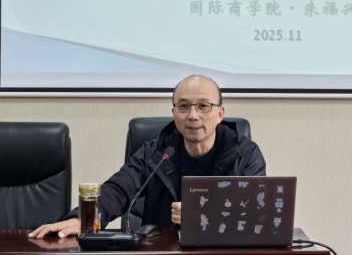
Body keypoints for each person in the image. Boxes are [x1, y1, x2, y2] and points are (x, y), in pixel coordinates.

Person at [29, 74, 266, 238]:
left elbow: (256, 213)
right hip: (162, 250)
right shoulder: (157, 152)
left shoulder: (245, 154)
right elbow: (118, 190)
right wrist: (82, 219)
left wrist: (203, 214)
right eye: (184, 107)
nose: (193, 116)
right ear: (173, 112)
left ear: (220, 113)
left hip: (223, 251)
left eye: (203, 106)